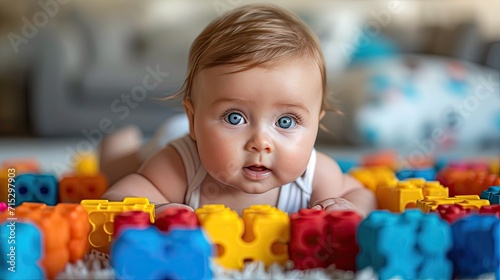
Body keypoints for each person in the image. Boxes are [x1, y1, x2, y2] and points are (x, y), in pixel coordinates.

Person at [100, 4, 376, 216]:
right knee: (122, 167)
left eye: (287, 121)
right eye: (235, 117)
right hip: (170, 137)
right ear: (194, 119)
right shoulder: (177, 166)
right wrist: (159, 210)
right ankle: (118, 147)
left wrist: (348, 207)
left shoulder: (315, 176)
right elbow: (119, 195)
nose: (260, 142)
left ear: (316, 125)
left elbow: (361, 194)